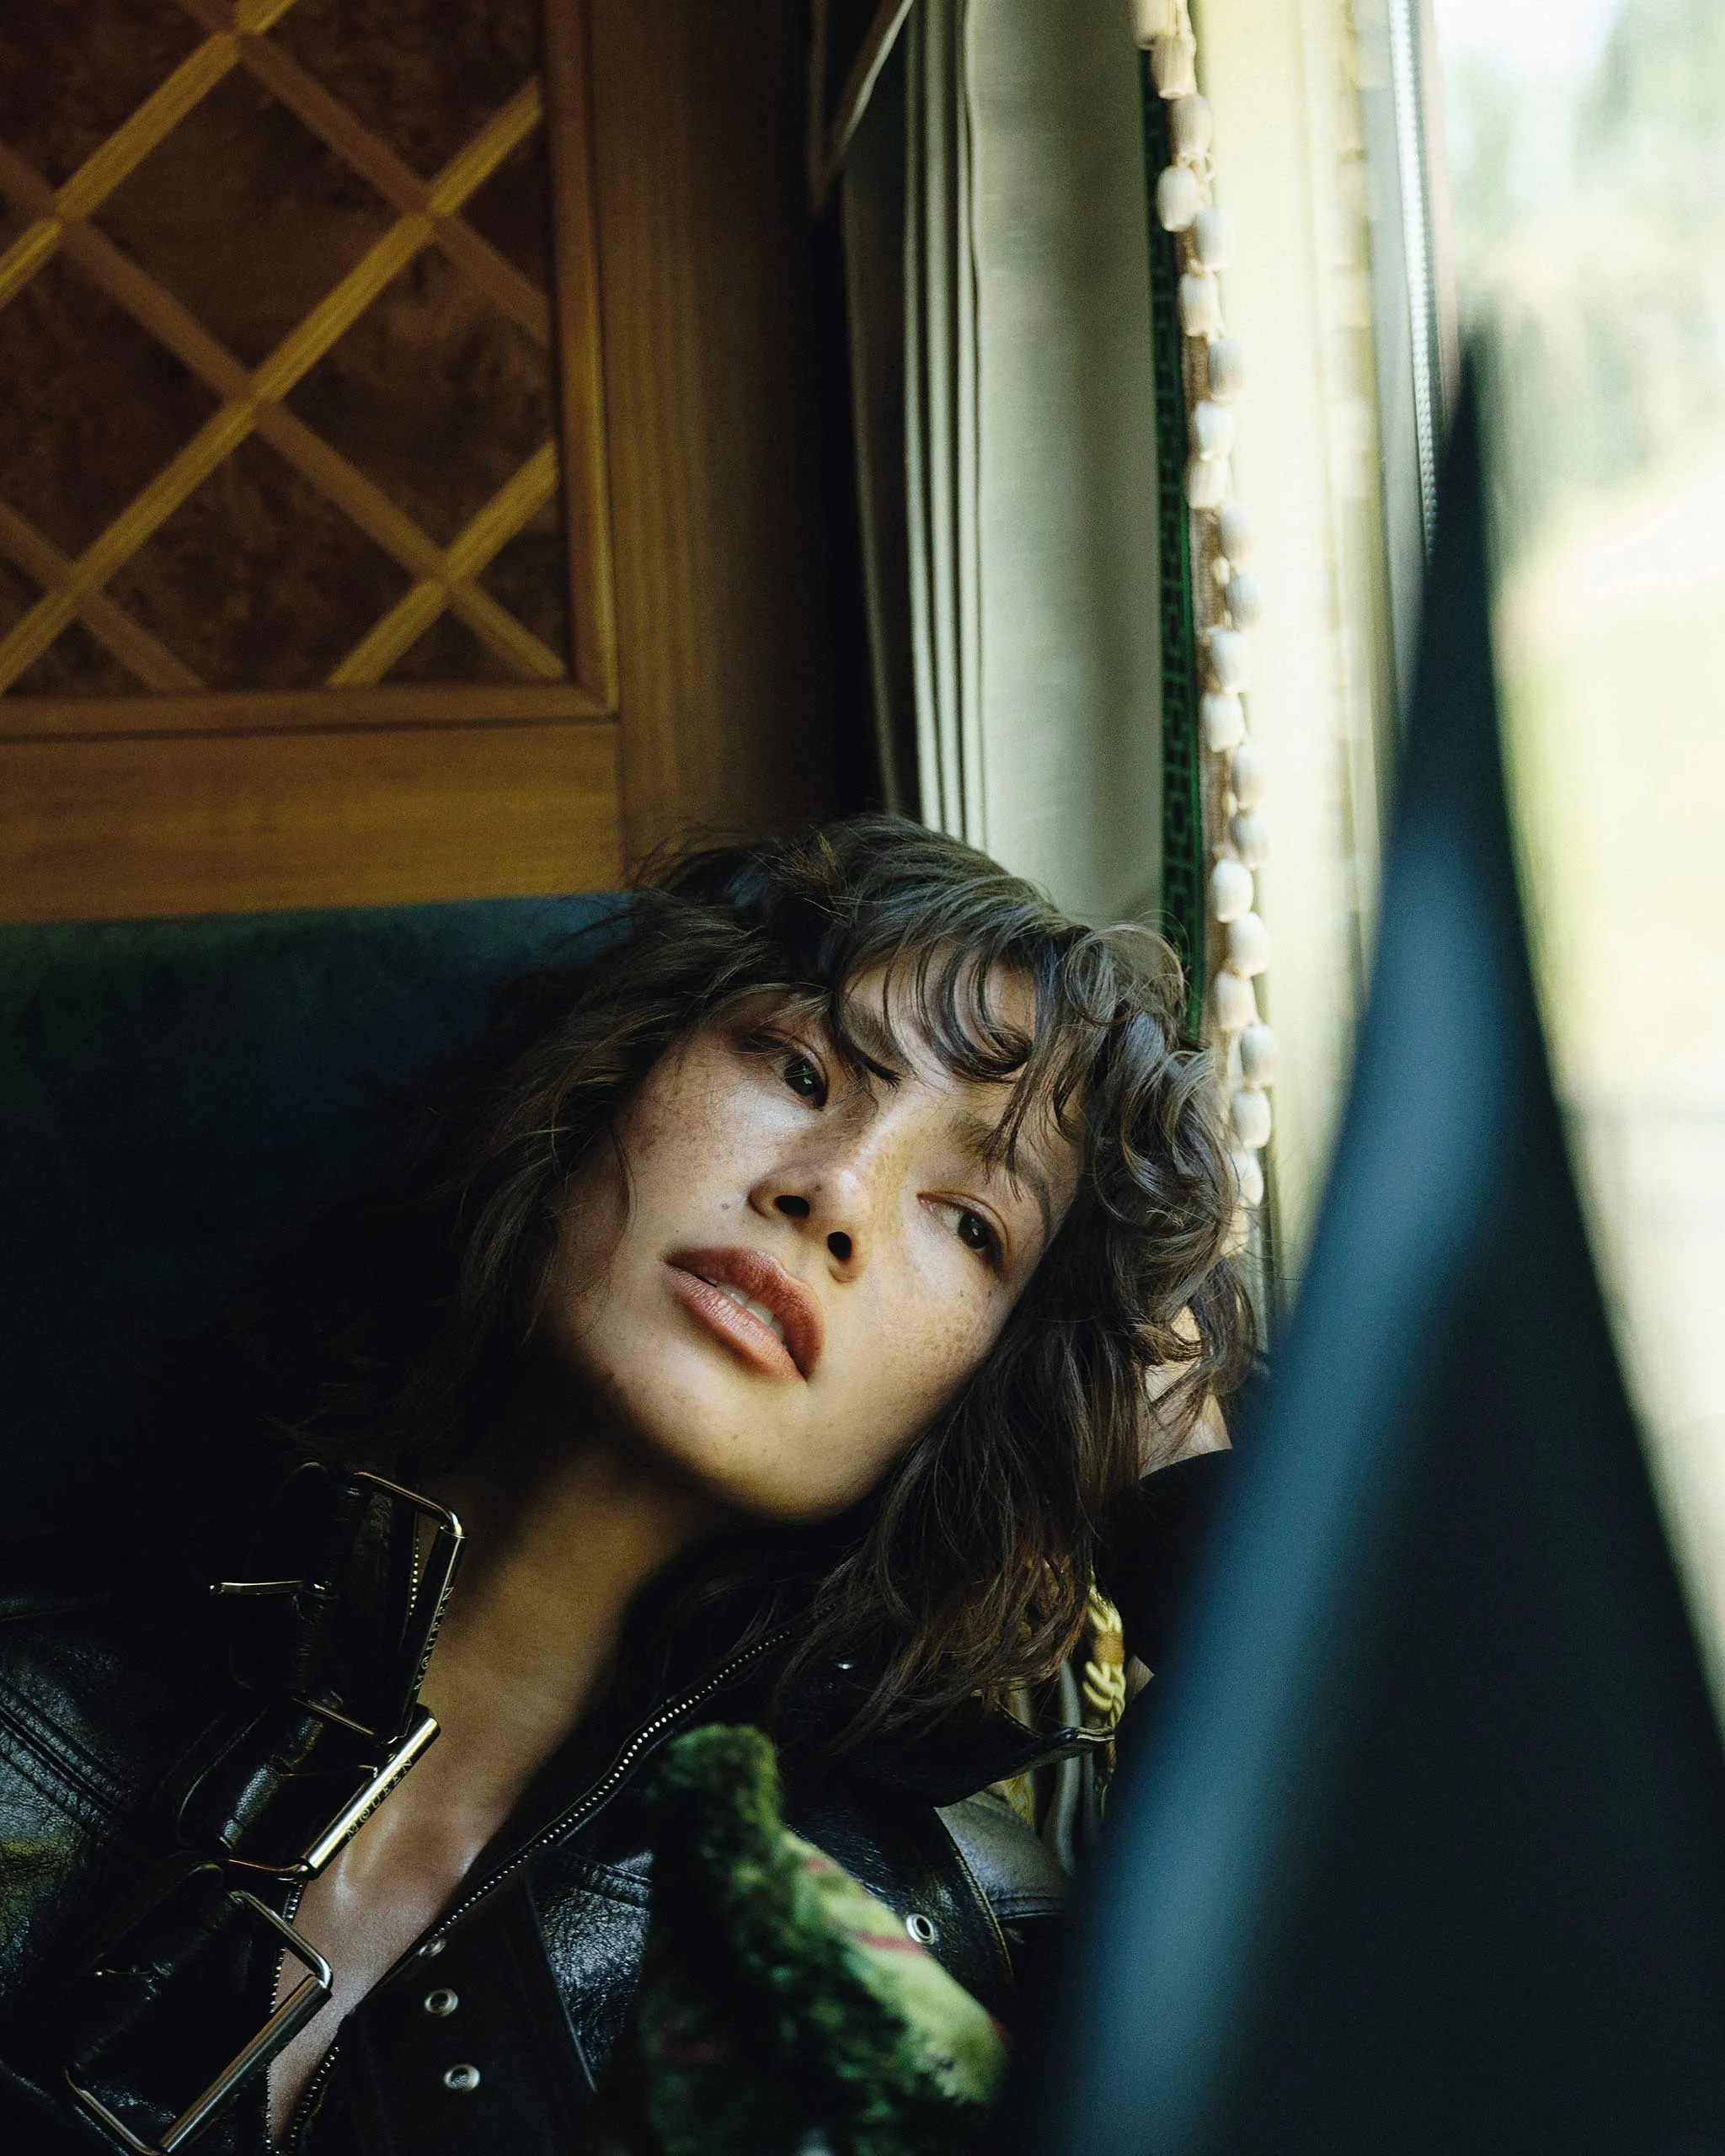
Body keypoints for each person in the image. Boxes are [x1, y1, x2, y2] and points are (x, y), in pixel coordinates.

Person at [0, 817, 1250, 2155]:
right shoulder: (36, 1722)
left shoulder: (930, 1950)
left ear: (983, 1391)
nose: (834, 1190)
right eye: (801, 1068)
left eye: (971, 1223)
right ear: (604, 1081)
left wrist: (1177, 1467)